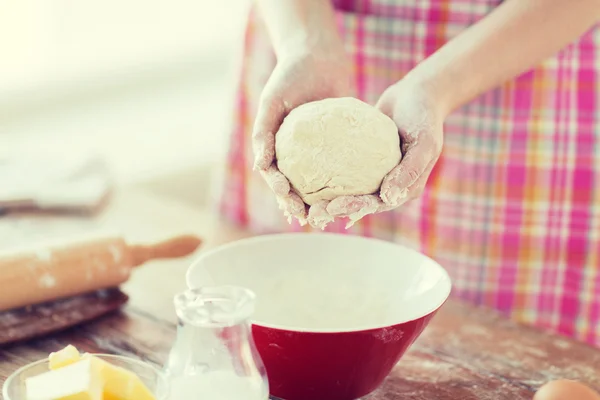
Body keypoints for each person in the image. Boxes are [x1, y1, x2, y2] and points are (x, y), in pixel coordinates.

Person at [215, 0, 600, 346]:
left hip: (517, 59)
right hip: (303, 42)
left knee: (482, 344)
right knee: (296, 311)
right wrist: (304, 42)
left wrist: (436, 86)